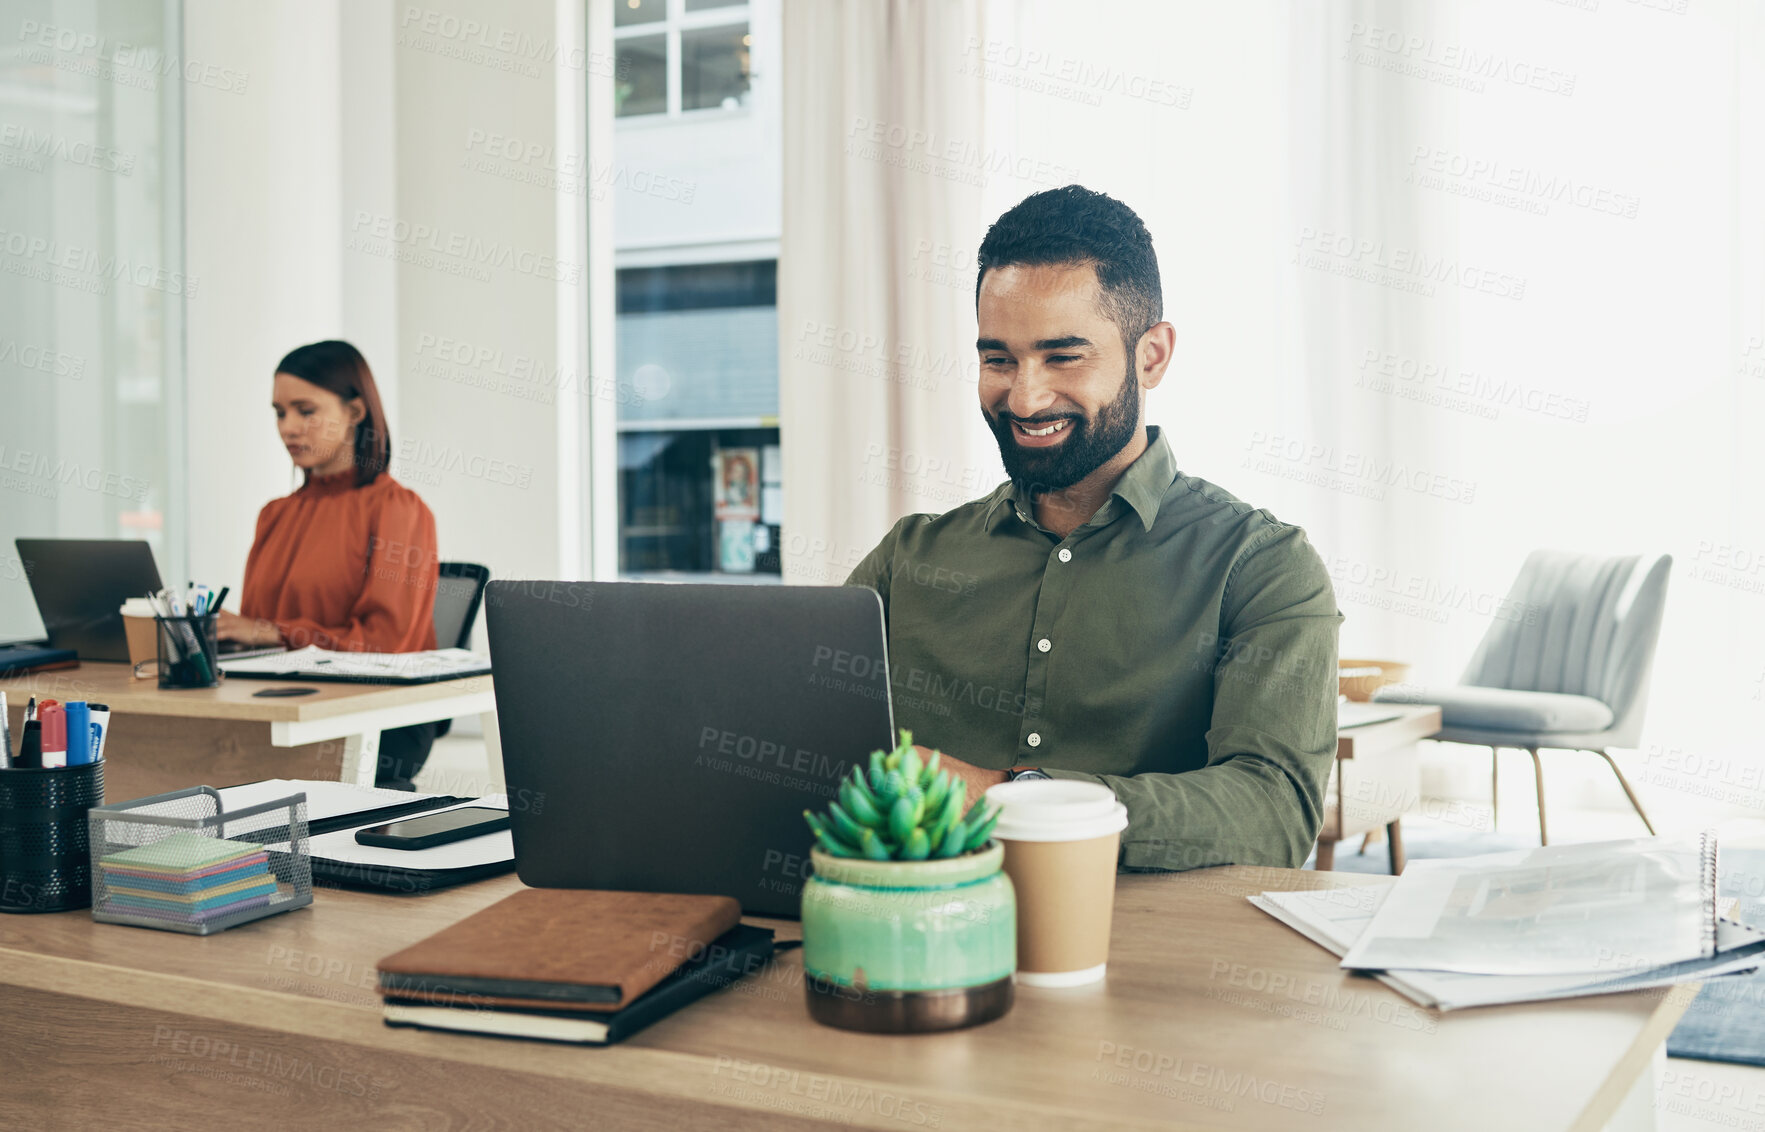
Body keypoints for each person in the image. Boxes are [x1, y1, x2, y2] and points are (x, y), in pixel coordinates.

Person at [845, 186, 1342, 871]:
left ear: (1152, 356)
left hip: (1154, 959)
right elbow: (801, 745)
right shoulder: (906, 560)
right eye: (998, 360)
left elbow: (1272, 814)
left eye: (1062, 356)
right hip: (910, 942)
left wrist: (1007, 800)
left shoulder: (1260, 566)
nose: (1024, 397)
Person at [215, 339, 442, 790]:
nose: (288, 428)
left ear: (356, 412)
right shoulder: (275, 514)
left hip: (373, 717)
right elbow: (256, 643)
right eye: (279, 413)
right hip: (281, 708)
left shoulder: (400, 509)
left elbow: (385, 648)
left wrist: (270, 631)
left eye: (305, 410)